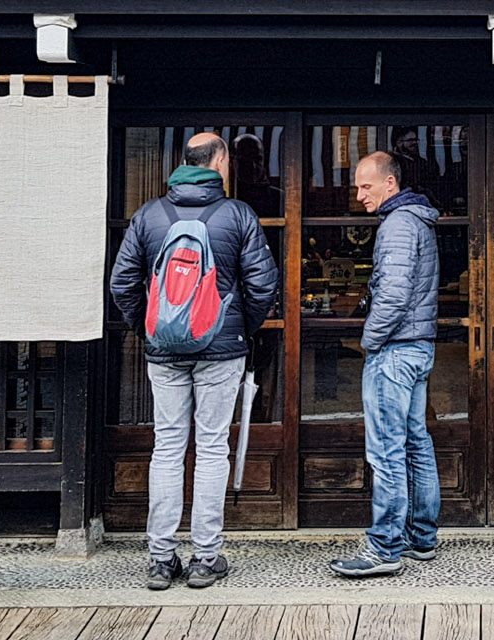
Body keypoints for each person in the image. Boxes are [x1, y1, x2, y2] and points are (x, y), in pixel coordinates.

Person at [109, 132, 279, 590]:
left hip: (164, 351)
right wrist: (242, 327)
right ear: (220, 162)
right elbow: (263, 285)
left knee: (166, 447)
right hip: (221, 348)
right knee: (211, 448)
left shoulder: (149, 215)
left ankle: (161, 560)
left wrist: (147, 327)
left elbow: (122, 282)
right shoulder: (237, 214)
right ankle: (206, 557)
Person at [330, 151, 441, 577]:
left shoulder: (396, 225)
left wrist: (369, 342)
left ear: (390, 184)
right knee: (416, 441)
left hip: (394, 351)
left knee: (387, 450)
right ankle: (422, 538)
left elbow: (393, 296)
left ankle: (384, 548)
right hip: (418, 347)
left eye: (366, 186)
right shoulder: (417, 220)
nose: (359, 195)